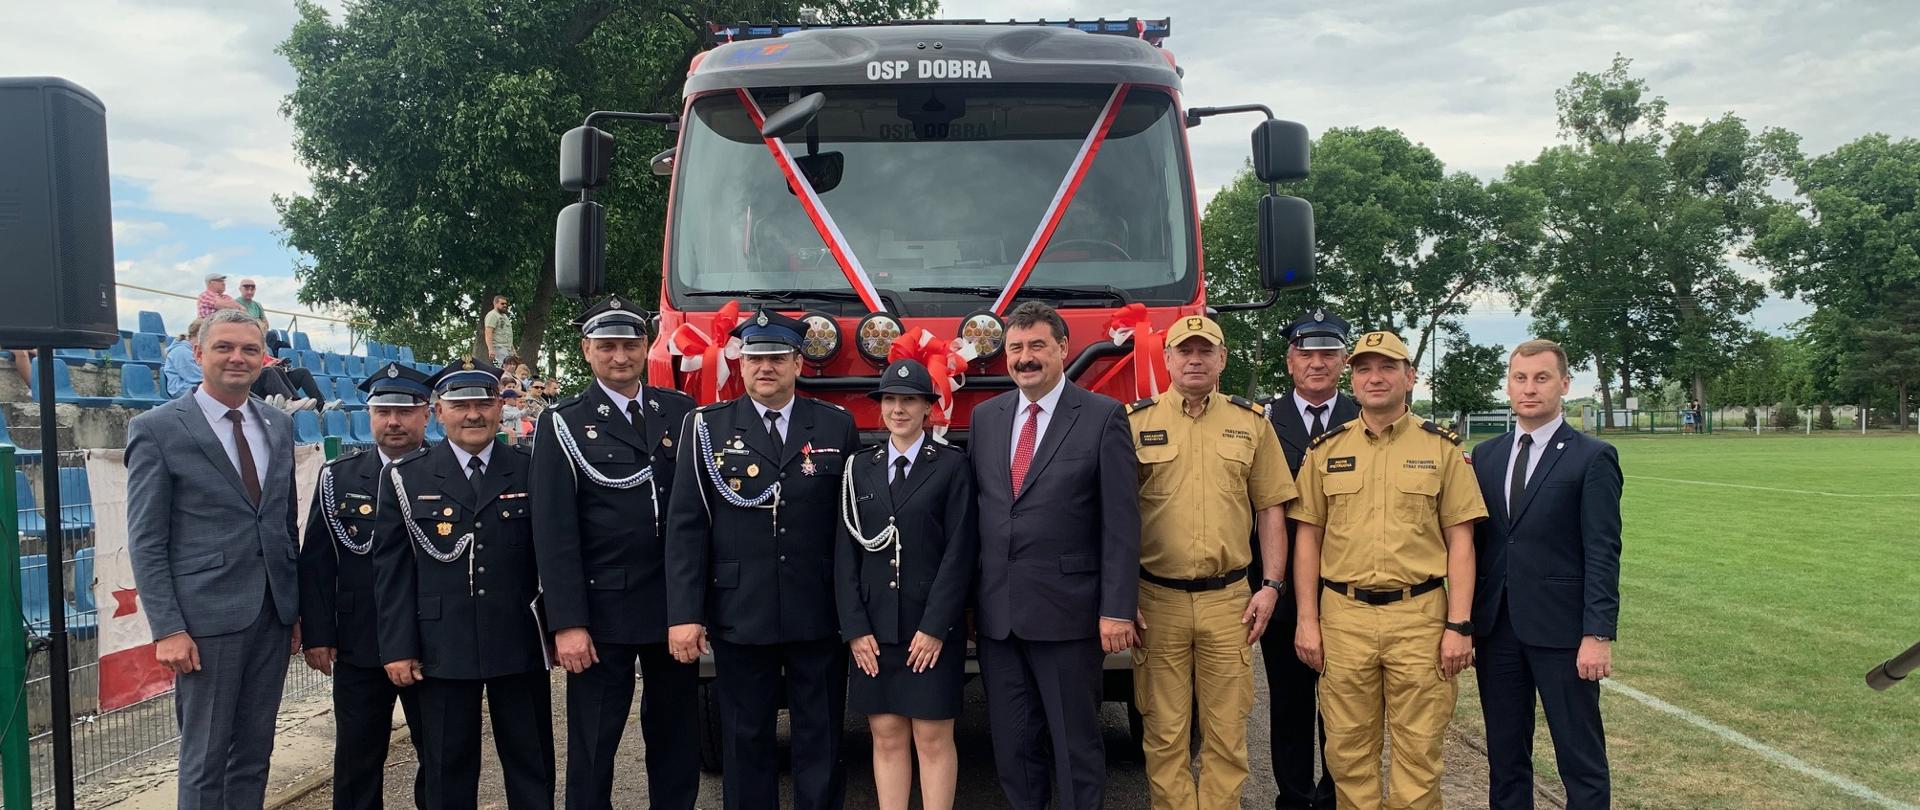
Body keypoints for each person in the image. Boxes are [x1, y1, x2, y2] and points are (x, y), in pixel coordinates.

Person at [664, 309, 859, 810]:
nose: (764, 367)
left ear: (798, 363)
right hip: (739, 611)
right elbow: (687, 527)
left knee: (820, 735)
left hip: (816, 609)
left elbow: (848, 529)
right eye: (754, 358)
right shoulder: (705, 427)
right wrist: (685, 614)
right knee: (745, 736)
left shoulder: (837, 427)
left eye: (776, 358)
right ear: (740, 363)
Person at [1288, 330, 1487, 810]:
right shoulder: (1325, 451)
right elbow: (1308, 538)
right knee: (1348, 752)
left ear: (1410, 376)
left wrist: (1459, 625)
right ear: (1352, 379)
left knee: (1419, 753)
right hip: (1344, 617)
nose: (1374, 378)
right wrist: (1307, 620)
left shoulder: (1442, 449)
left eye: (1387, 367)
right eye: (1363, 369)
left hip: (1418, 616)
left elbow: (1462, 540)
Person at [124, 308, 301, 809]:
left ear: (263, 358)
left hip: (271, 614)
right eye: (223, 347)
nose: (237, 358)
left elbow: (282, 523)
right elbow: (147, 540)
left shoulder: (277, 425)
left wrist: (295, 605)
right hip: (204, 622)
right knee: (204, 760)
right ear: (198, 353)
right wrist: (168, 628)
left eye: (248, 349)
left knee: (254, 752)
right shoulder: (158, 429)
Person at [531, 295, 701, 810]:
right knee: (594, 742)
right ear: (587, 351)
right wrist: (567, 624)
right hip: (602, 611)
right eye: (607, 347)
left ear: (646, 347)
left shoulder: (681, 412)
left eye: (630, 345)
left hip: (673, 605)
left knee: (675, 737)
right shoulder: (562, 422)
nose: (620, 357)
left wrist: (694, 606)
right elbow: (554, 534)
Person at [968, 301, 1139, 810]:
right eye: (1016, 348)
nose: (1025, 358)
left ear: (1063, 349)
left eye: (1037, 346)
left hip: (1070, 615)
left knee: (1075, 747)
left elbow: (1121, 524)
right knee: (1014, 748)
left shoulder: (1103, 416)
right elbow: (981, 516)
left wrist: (1117, 608)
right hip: (999, 618)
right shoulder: (986, 418)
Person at [1126, 315, 1296, 810]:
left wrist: (1271, 585)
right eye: (1185, 351)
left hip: (1230, 601)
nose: (1195, 359)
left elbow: (1271, 510)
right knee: (1164, 730)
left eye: (1206, 351)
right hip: (1155, 599)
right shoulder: (1135, 423)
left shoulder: (1251, 423)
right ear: (1168, 360)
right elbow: (1115, 518)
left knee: (1226, 731)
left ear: (1222, 359)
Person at [371, 358, 554, 809]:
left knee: (531, 763)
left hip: (518, 641)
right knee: (446, 768)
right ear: (438, 411)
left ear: (500, 406)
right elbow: (392, 571)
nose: (473, 414)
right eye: (460, 404)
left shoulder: (532, 468)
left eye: (484, 403)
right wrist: (396, 646)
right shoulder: (404, 476)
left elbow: (555, 556)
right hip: (440, 645)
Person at [1471, 339, 1622, 810]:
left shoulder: (1591, 456)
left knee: (1579, 757)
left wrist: (1597, 633)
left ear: (1564, 384)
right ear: (1509, 384)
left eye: (1541, 378)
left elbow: (1603, 550)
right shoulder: (1486, 456)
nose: (1529, 389)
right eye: (1521, 378)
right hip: (1497, 629)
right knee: (1506, 757)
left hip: (1562, 633)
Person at [835, 359, 978, 810]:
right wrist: (855, 629)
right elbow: (845, 554)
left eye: (909, 400)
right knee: (886, 735)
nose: (898, 409)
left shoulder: (953, 466)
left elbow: (961, 552)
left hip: (929, 630)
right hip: (875, 632)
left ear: (927, 410)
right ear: (881, 408)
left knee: (933, 736)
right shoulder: (859, 468)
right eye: (890, 400)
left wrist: (936, 627)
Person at [298, 361, 434, 810]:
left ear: (426, 414)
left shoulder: (445, 472)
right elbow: (317, 562)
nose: (394, 422)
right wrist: (319, 633)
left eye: (406, 411)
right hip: (360, 641)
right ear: (368, 415)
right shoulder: (338, 476)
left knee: (438, 756)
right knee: (357, 758)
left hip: (432, 638)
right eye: (383, 412)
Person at [1258, 309, 1357, 810]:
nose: (1317, 364)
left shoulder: (1366, 417)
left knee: (1345, 711)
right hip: (1282, 589)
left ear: (1344, 361)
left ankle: (1336, 797)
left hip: (1347, 587)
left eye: (1328, 354)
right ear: (1289, 361)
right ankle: (1293, 799)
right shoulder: (1261, 420)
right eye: (1306, 354)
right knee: (1291, 705)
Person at [163, 319, 205, 399]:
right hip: (181, 389)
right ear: (198, 334)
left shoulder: (193, 351)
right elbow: (194, 377)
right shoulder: (181, 351)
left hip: (193, 386)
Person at [485, 296, 514, 366]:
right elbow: (488, 332)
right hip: (499, 347)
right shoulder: (492, 315)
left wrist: (513, 350)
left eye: (506, 304)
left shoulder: (505, 316)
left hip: (508, 348)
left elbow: (508, 335)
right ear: (495, 304)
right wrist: (491, 349)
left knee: (512, 369)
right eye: (502, 303)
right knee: (507, 367)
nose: (505, 305)